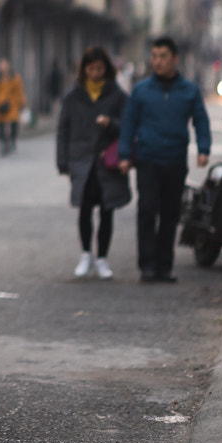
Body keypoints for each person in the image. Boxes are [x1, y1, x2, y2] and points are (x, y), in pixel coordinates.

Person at [117, 36, 212, 283]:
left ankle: (164, 266)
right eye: (154, 56)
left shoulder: (189, 90)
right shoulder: (141, 90)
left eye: (163, 57)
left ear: (175, 59)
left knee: (170, 215)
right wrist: (125, 155)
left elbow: (201, 120)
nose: (157, 62)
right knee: (147, 211)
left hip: (175, 161)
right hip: (148, 159)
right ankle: (147, 265)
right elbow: (129, 123)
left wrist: (204, 149)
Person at [56, 46, 131, 281]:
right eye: (91, 69)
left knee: (107, 210)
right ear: (84, 70)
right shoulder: (73, 97)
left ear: (106, 69)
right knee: (84, 209)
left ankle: (102, 259)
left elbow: (129, 127)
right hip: (81, 161)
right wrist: (63, 162)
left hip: (108, 162)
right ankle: (86, 254)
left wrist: (111, 123)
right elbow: (63, 130)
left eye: (99, 68)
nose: (95, 73)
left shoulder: (118, 96)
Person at [0, 58, 27, 156]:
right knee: (0, 124)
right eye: (1, 66)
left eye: (5, 65)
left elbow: (19, 91)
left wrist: (22, 102)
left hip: (12, 103)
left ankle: (13, 140)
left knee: (14, 122)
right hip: (0, 104)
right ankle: (3, 144)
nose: (3, 68)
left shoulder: (15, 77)